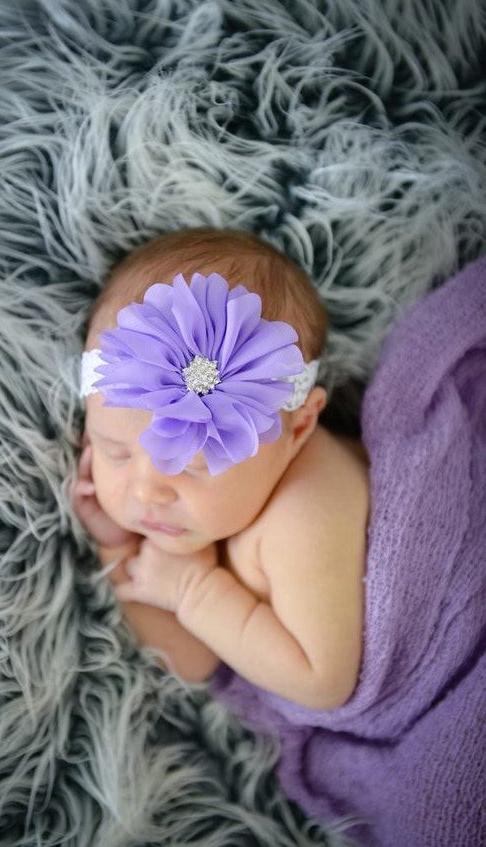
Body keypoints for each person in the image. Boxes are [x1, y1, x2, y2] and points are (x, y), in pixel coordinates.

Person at [73, 227, 369, 711]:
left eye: (193, 466)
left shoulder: (309, 506)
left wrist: (194, 589)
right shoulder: (204, 513)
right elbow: (195, 661)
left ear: (298, 430)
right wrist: (120, 546)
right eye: (114, 452)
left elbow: (323, 682)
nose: (146, 491)